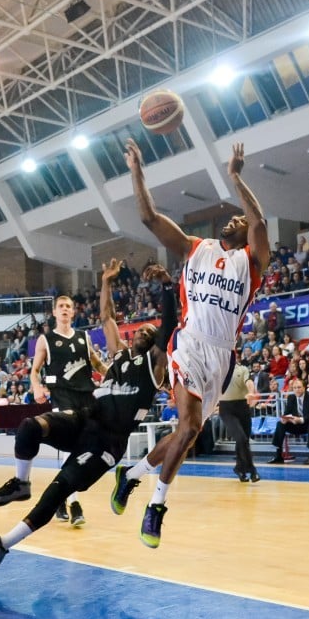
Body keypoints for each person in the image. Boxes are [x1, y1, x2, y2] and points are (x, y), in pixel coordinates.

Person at [0, 259, 176, 567]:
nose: (141, 329)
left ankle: (0, 546)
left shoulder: (153, 366)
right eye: (140, 329)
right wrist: (106, 282)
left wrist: (166, 286)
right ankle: (21, 483)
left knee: (57, 491)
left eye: (147, 330)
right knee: (30, 426)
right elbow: (107, 316)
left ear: (152, 342)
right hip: (85, 419)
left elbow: (168, 327)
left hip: (105, 444)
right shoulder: (120, 356)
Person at [111, 140, 269, 548]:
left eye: (240, 218)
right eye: (232, 217)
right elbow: (148, 217)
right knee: (192, 425)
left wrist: (235, 175)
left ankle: (131, 475)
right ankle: (156, 506)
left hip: (222, 354)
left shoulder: (251, 263)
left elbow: (260, 223)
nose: (236, 219)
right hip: (190, 342)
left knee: (187, 431)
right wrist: (137, 169)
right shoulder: (195, 248)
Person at [0, 292, 106, 527]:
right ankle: (73, 502)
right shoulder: (45, 340)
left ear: (73, 311)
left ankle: (61, 497)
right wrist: (37, 387)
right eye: (61, 306)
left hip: (87, 401)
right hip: (62, 398)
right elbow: (35, 370)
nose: (65, 309)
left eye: (69, 306)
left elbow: (98, 364)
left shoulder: (84, 337)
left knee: (80, 452)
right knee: (70, 448)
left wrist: (118, 376)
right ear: (55, 312)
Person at [218, 360, 260, 483]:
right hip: (226, 409)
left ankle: (239, 468)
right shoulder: (218, 370)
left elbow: (249, 381)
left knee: (244, 440)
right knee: (241, 438)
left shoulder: (242, 369)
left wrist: (251, 393)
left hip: (243, 407)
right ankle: (252, 470)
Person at [268, 377, 309, 464]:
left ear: (304, 388)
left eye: (299, 387)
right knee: (280, 424)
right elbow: (287, 412)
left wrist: (301, 419)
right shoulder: (291, 397)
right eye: (295, 388)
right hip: (298, 424)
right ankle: (278, 455)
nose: (297, 390)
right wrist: (286, 419)